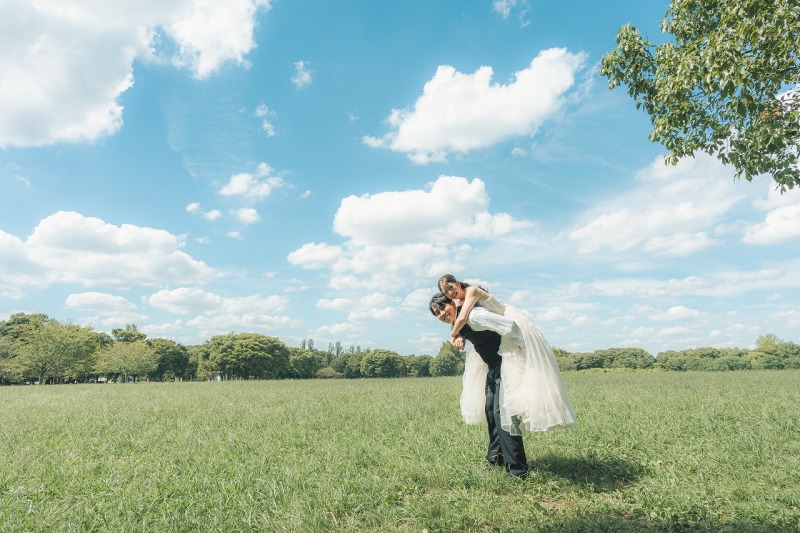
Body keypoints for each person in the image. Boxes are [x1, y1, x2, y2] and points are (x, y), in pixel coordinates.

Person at [437, 274, 577, 434]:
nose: (450, 293)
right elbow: (457, 317)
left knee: (524, 372)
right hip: (498, 330)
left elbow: (462, 317)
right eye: (446, 292)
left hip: (508, 323)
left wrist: (453, 335)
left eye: (450, 287)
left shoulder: (472, 290)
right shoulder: (457, 300)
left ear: (457, 283)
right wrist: (459, 335)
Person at [429, 292, 528, 478]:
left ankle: (518, 470)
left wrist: (515, 356)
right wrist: (459, 334)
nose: (441, 313)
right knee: (491, 412)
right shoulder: (460, 321)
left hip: (506, 365)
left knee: (504, 416)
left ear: (453, 302)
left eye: (443, 307)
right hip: (493, 368)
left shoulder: (475, 316)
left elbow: (512, 326)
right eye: (437, 313)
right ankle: (495, 460)